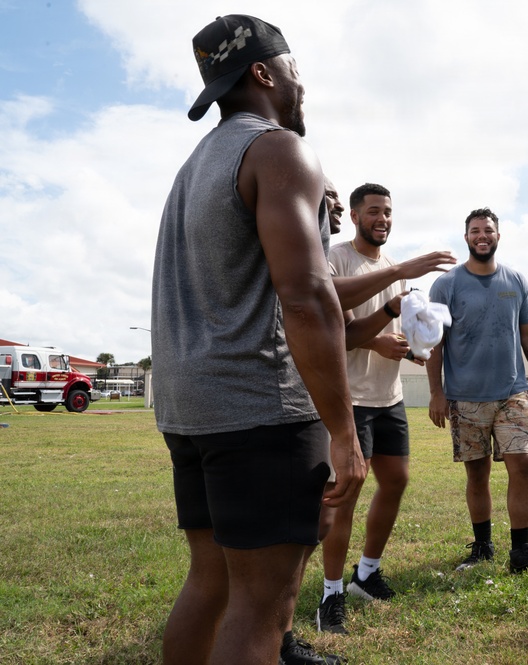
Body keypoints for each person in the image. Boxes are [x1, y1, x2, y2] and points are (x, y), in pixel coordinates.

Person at [152, 15, 365, 665]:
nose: (303, 82)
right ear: (264, 72)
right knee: (261, 604)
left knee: (211, 581)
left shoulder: (195, 165)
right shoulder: (278, 151)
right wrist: (344, 431)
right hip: (260, 408)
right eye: (295, 67)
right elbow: (306, 296)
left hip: (191, 411)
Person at [315, 183, 455, 634]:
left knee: (395, 481)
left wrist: (413, 347)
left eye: (388, 212)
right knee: (346, 496)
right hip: (350, 399)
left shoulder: (391, 266)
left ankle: (366, 575)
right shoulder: (334, 259)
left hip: (388, 396)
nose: (383, 219)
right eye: (373, 211)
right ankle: (330, 594)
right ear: (355, 216)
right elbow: (345, 335)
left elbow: (396, 329)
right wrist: (384, 325)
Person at [426, 207, 528, 574]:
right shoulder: (446, 285)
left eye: (488, 230)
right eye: (475, 231)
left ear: (498, 235)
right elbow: (435, 343)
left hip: (513, 392)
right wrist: (436, 393)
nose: (482, 236)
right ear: (466, 237)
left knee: (523, 465)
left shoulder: (516, 281)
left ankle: (521, 552)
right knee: (477, 474)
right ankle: (483, 547)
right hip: (465, 397)